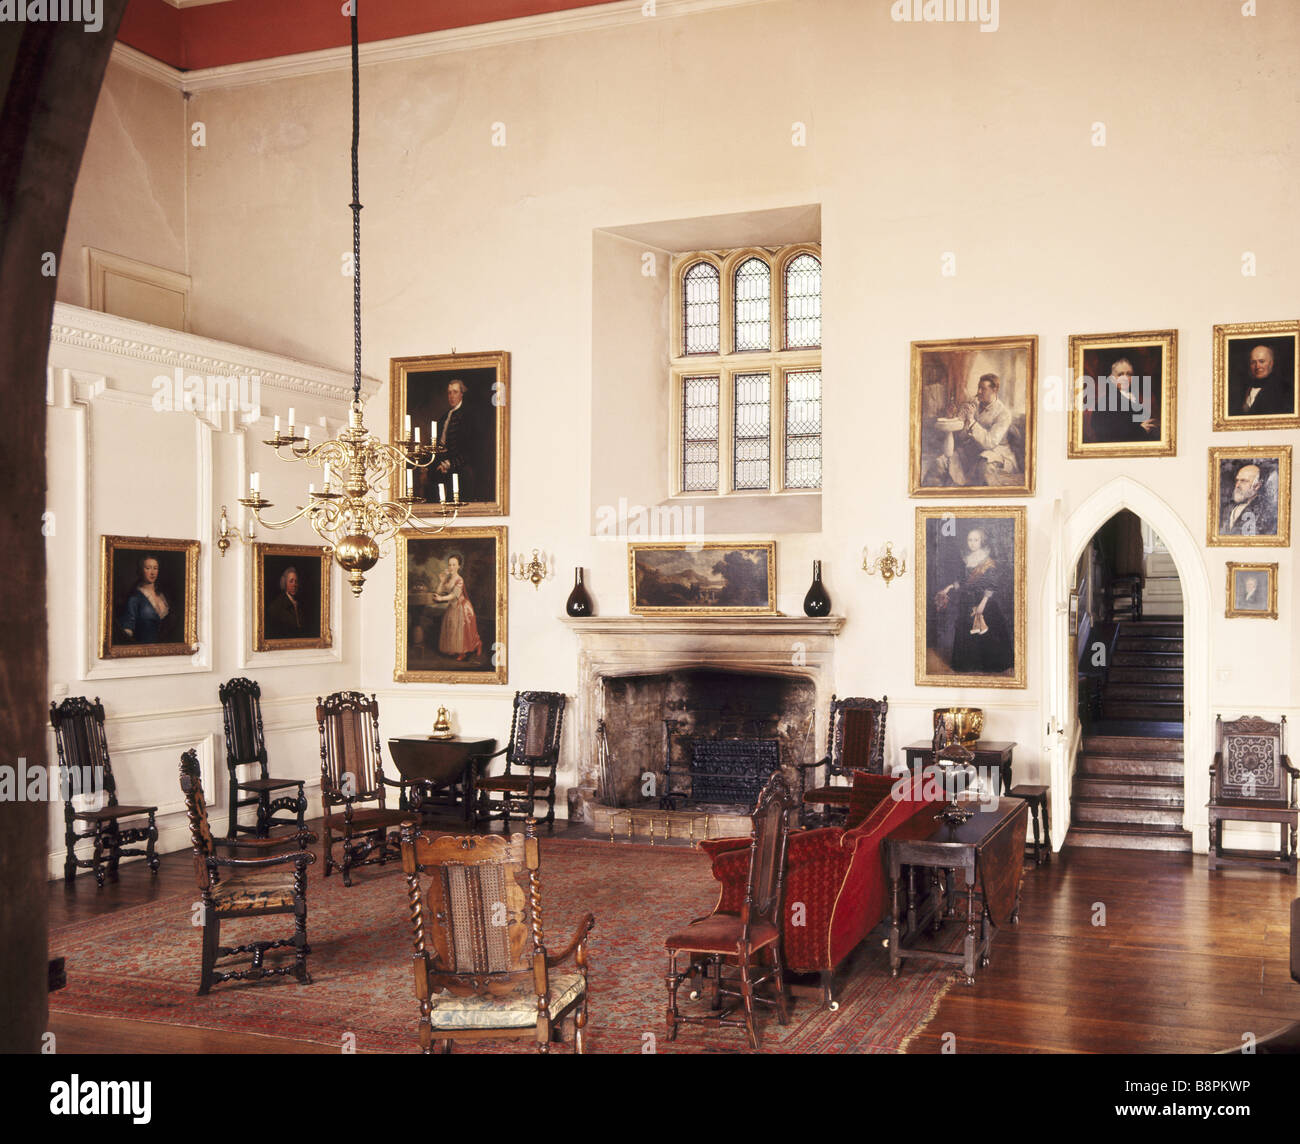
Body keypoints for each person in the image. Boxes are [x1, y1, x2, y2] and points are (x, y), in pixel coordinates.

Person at [933, 527, 1013, 674]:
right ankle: (968, 666)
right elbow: (965, 581)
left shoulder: (988, 562)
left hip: (985, 601)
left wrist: (982, 604)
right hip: (968, 601)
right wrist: (949, 587)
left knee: (987, 633)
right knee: (966, 633)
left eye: (976, 540)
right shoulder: (968, 559)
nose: (972, 543)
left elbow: (991, 585)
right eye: (970, 540)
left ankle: (991, 666)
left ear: (982, 541)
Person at [926, 373, 1019, 486]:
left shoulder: (1003, 414)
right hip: (972, 451)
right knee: (940, 462)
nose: (979, 391)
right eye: (978, 388)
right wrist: (961, 419)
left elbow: (990, 443)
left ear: (994, 390)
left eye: (983, 389)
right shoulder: (975, 405)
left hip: (997, 453)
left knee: (984, 467)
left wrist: (971, 420)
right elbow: (962, 438)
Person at [1085, 357, 1159, 443]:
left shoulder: (1134, 399)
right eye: (1120, 374)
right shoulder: (1105, 402)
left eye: (1129, 374)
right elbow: (1104, 430)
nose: (1125, 378)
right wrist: (1141, 430)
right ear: (1112, 379)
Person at [433, 554, 482, 661]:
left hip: (462, 607)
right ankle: (455, 649)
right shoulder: (448, 578)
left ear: (459, 566)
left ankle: (466, 650)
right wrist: (441, 581)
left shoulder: (460, 580)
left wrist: (441, 599)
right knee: (452, 629)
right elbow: (438, 591)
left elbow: (454, 595)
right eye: (449, 565)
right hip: (452, 606)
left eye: (454, 565)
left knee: (461, 630)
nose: (451, 567)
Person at [435, 379, 475, 503]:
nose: (452, 396)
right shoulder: (444, 417)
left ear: (461, 394)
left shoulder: (468, 415)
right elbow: (439, 443)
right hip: (443, 468)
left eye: (455, 392)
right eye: (449, 393)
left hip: (460, 468)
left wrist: (449, 464)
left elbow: (469, 449)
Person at [1230, 344, 1295, 417]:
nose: (1257, 366)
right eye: (1253, 362)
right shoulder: (1243, 389)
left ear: (1271, 363)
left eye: (1262, 361)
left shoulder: (1285, 389)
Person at [118, 555, 172, 644]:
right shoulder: (134, 598)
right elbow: (127, 629)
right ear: (140, 570)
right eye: (148, 568)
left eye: (155, 568)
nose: (152, 572)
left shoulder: (163, 595)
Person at [1221, 462, 1277, 537]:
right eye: (1237, 480)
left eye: (1243, 481)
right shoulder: (1228, 509)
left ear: (1257, 486)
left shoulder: (1265, 511)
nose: (1237, 485)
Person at [266, 566, 307, 639]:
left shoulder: (299, 603)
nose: (294, 585)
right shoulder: (277, 605)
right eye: (291, 581)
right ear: (285, 583)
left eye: (296, 581)